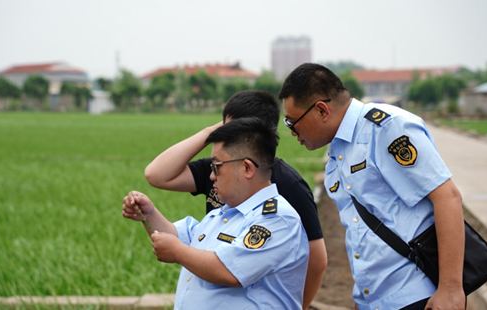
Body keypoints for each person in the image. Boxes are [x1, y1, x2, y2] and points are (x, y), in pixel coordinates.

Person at [279, 63, 466, 310]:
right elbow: (361, 231)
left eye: (292, 122)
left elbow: (447, 197)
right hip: (375, 301)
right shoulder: (337, 152)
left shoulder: (386, 128)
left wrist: (451, 290)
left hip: (415, 295)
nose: (292, 132)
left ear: (322, 110)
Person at [144, 90, 327, 309]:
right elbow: (184, 236)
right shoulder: (223, 211)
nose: (211, 176)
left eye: (216, 167)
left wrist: (177, 252)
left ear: (247, 167)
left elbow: (229, 270)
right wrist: (149, 213)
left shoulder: (278, 213)